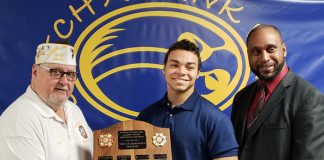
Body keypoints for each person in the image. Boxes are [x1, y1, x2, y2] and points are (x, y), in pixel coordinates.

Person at [231, 24, 324, 160]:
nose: (264, 57)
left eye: (271, 49)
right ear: (248, 55)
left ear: (284, 50)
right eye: (256, 51)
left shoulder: (309, 99)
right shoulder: (241, 98)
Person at [136, 39, 238, 160]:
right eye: (174, 65)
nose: (181, 72)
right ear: (164, 69)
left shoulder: (217, 120)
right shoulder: (146, 117)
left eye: (190, 67)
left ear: (198, 73)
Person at [0, 42, 93, 160]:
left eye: (70, 74)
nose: (64, 82)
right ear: (35, 72)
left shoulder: (73, 110)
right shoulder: (19, 121)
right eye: (56, 72)